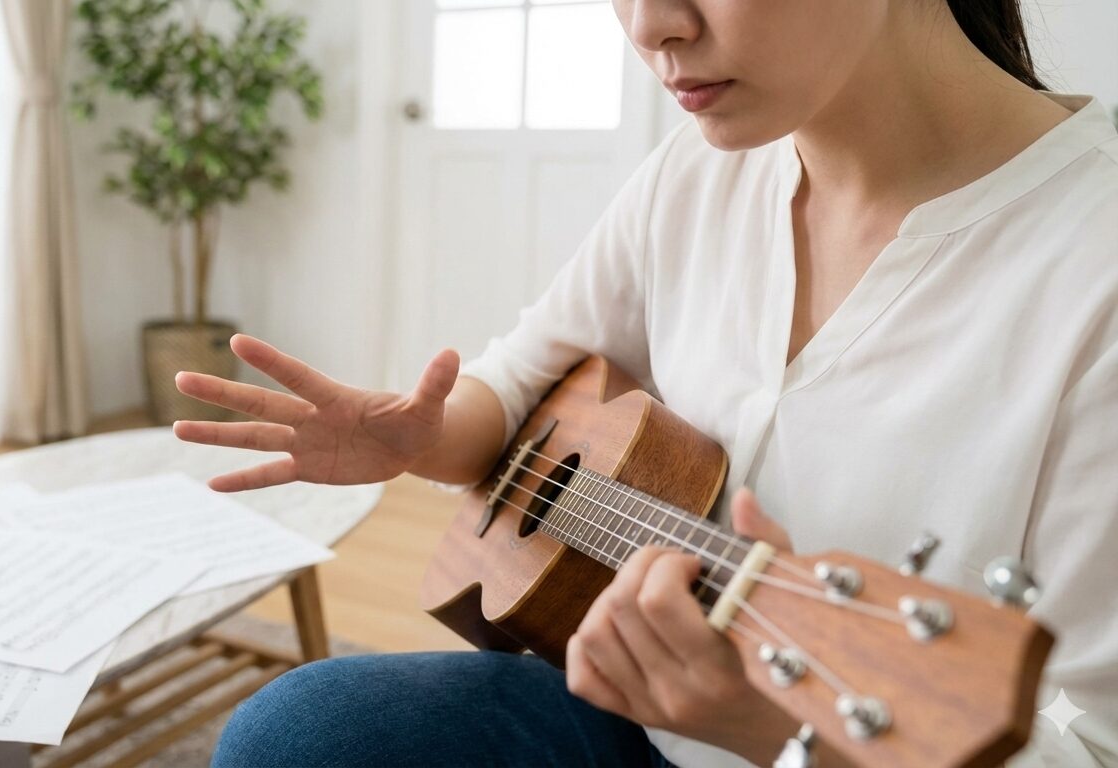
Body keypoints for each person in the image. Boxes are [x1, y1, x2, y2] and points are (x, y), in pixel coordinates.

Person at [174, 0, 1118, 765]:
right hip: (633, 718)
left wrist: (765, 725)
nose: (650, 25)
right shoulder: (698, 172)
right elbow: (520, 378)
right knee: (298, 733)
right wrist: (422, 437)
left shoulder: (1094, 269)